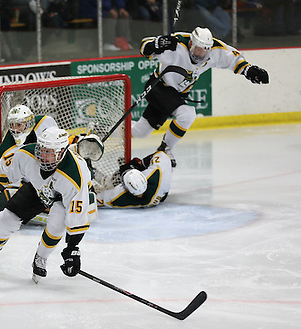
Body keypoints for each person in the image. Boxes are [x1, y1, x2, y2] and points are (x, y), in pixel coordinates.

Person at [0, 127, 93, 283]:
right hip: (38, 188)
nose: (44, 156)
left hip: (63, 197)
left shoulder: (74, 176)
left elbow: (77, 218)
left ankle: (41, 257)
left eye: (50, 153)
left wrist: (72, 249)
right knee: (7, 218)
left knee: (59, 219)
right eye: (42, 150)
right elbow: (3, 172)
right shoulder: (26, 153)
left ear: (62, 152)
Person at [132, 26, 269, 167]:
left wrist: (248, 70)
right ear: (191, 44)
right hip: (159, 87)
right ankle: (165, 149)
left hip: (176, 95)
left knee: (140, 132)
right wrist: (158, 44)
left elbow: (233, 59)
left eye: (205, 50)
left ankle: (108, 129)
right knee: (187, 114)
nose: (201, 54)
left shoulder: (213, 50)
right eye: (198, 49)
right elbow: (143, 47)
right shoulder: (176, 45)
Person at [0, 104, 58, 226]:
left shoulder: (45, 122)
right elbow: (2, 174)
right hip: (31, 181)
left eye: (19, 125)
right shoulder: (7, 149)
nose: (15, 129)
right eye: (12, 125)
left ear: (29, 123)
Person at [96, 150, 172, 208]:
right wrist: (142, 163)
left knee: (113, 182)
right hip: (161, 189)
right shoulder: (157, 171)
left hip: (159, 192)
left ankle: (99, 176)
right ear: (143, 175)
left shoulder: (122, 197)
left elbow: (99, 200)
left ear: (128, 190)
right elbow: (162, 155)